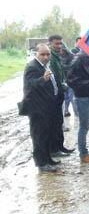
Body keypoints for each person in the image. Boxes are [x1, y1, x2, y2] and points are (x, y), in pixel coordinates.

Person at [20, 44, 61, 172]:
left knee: (47, 134)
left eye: (48, 54)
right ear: (36, 53)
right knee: (39, 136)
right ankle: (41, 164)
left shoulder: (44, 66)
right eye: (42, 54)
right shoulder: (32, 67)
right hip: (37, 108)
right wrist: (42, 79)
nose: (46, 57)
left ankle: (48, 159)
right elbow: (30, 84)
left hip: (46, 107)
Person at [48, 34, 74, 156]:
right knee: (54, 123)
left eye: (60, 43)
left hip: (60, 92)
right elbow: (54, 77)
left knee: (59, 122)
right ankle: (54, 149)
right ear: (50, 44)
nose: (59, 46)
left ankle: (60, 147)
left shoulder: (58, 56)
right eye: (56, 43)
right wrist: (63, 86)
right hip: (54, 94)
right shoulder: (50, 58)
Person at [59, 45, 75, 117]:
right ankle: (66, 110)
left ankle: (77, 113)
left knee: (71, 97)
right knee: (66, 98)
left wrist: (63, 66)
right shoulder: (57, 58)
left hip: (71, 79)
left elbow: (72, 67)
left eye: (62, 49)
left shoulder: (71, 56)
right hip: (62, 80)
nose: (61, 51)